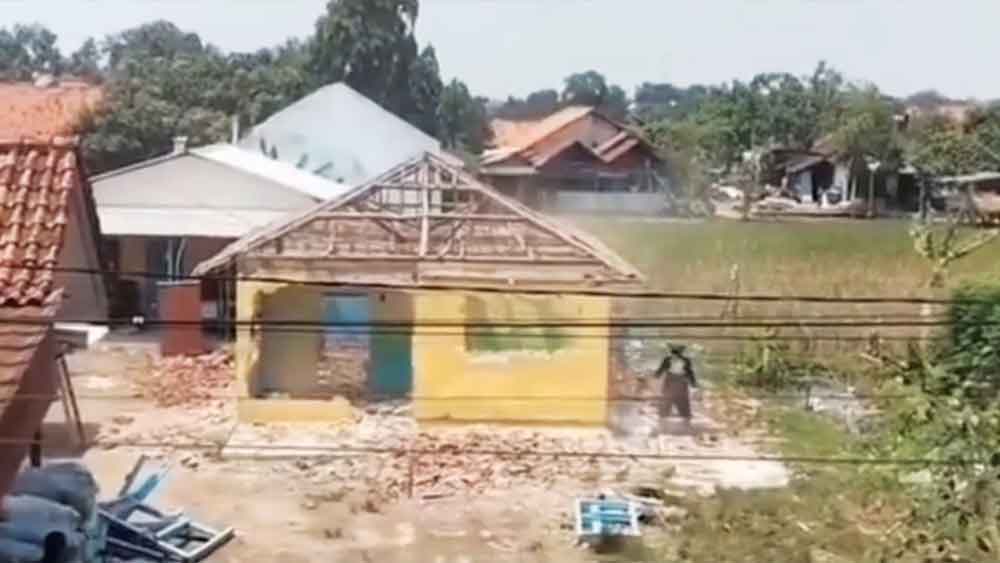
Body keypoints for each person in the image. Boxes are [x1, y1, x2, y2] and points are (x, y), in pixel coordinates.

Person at [651, 344, 698, 429]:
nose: (675, 354)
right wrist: (656, 375)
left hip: (681, 381)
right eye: (674, 352)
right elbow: (662, 368)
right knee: (667, 398)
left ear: (680, 353)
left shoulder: (686, 360)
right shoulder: (667, 359)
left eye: (677, 352)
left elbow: (689, 371)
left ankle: (685, 418)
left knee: (682, 399)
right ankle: (663, 418)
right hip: (670, 380)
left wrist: (693, 383)